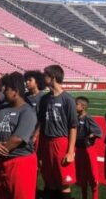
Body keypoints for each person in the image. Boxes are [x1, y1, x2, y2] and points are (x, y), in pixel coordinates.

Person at [0, 72, 38, 199]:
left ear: (15, 91)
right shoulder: (0, 108)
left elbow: (18, 138)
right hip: (1, 161)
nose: (3, 93)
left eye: (6, 90)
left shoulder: (27, 111)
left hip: (20, 162)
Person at [38, 65, 78, 199]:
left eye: (45, 75)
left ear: (53, 77)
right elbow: (41, 124)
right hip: (46, 142)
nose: (43, 78)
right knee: (49, 181)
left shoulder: (68, 99)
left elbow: (73, 126)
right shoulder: (44, 99)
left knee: (63, 182)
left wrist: (70, 151)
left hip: (60, 143)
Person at [75, 96, 102, 199]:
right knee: (82, 178)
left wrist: (90, 136)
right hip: (79, 151)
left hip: (88, 151)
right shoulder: (76, 118)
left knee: (92, 177)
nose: (74, 106)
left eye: (76, 104)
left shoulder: (88, 118)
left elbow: (99, 132)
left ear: (83, 107)